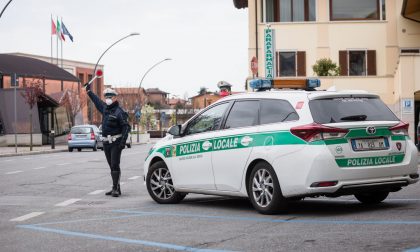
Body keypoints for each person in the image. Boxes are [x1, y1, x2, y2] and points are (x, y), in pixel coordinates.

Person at [85, 84, 131, 197]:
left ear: (115, 98)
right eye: (106, 97)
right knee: (111, 166)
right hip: (106, 142)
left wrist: (122, 143)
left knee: (115, 165)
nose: (108, 99)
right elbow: (97, 101)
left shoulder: (120, 112)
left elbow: (126, 127)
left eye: (110, 96)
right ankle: (116, 187)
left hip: (116, 142)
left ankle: (115, 188)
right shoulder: (105, 108)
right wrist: (89, 92)